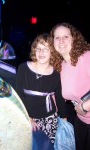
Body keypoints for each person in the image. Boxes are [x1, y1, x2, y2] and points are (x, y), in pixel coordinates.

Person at [16, 33, 67, 144]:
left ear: (52, 52)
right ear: (34, 50)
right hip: (28, 118)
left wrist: (64, 118)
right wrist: (27, 118)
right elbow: (19, 95)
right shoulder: (23, 68)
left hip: (50, 119)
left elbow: (59, 97)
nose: (41, 52)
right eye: (38, 48)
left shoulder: (56, 73)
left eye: (45, 49)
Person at [50, 22, 90, 150]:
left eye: (66, 36)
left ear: (74, 39)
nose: (61, 41)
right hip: (81, 122)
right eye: (57, 37)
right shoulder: (61, 65)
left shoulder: (85, 57)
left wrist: (85, 106)